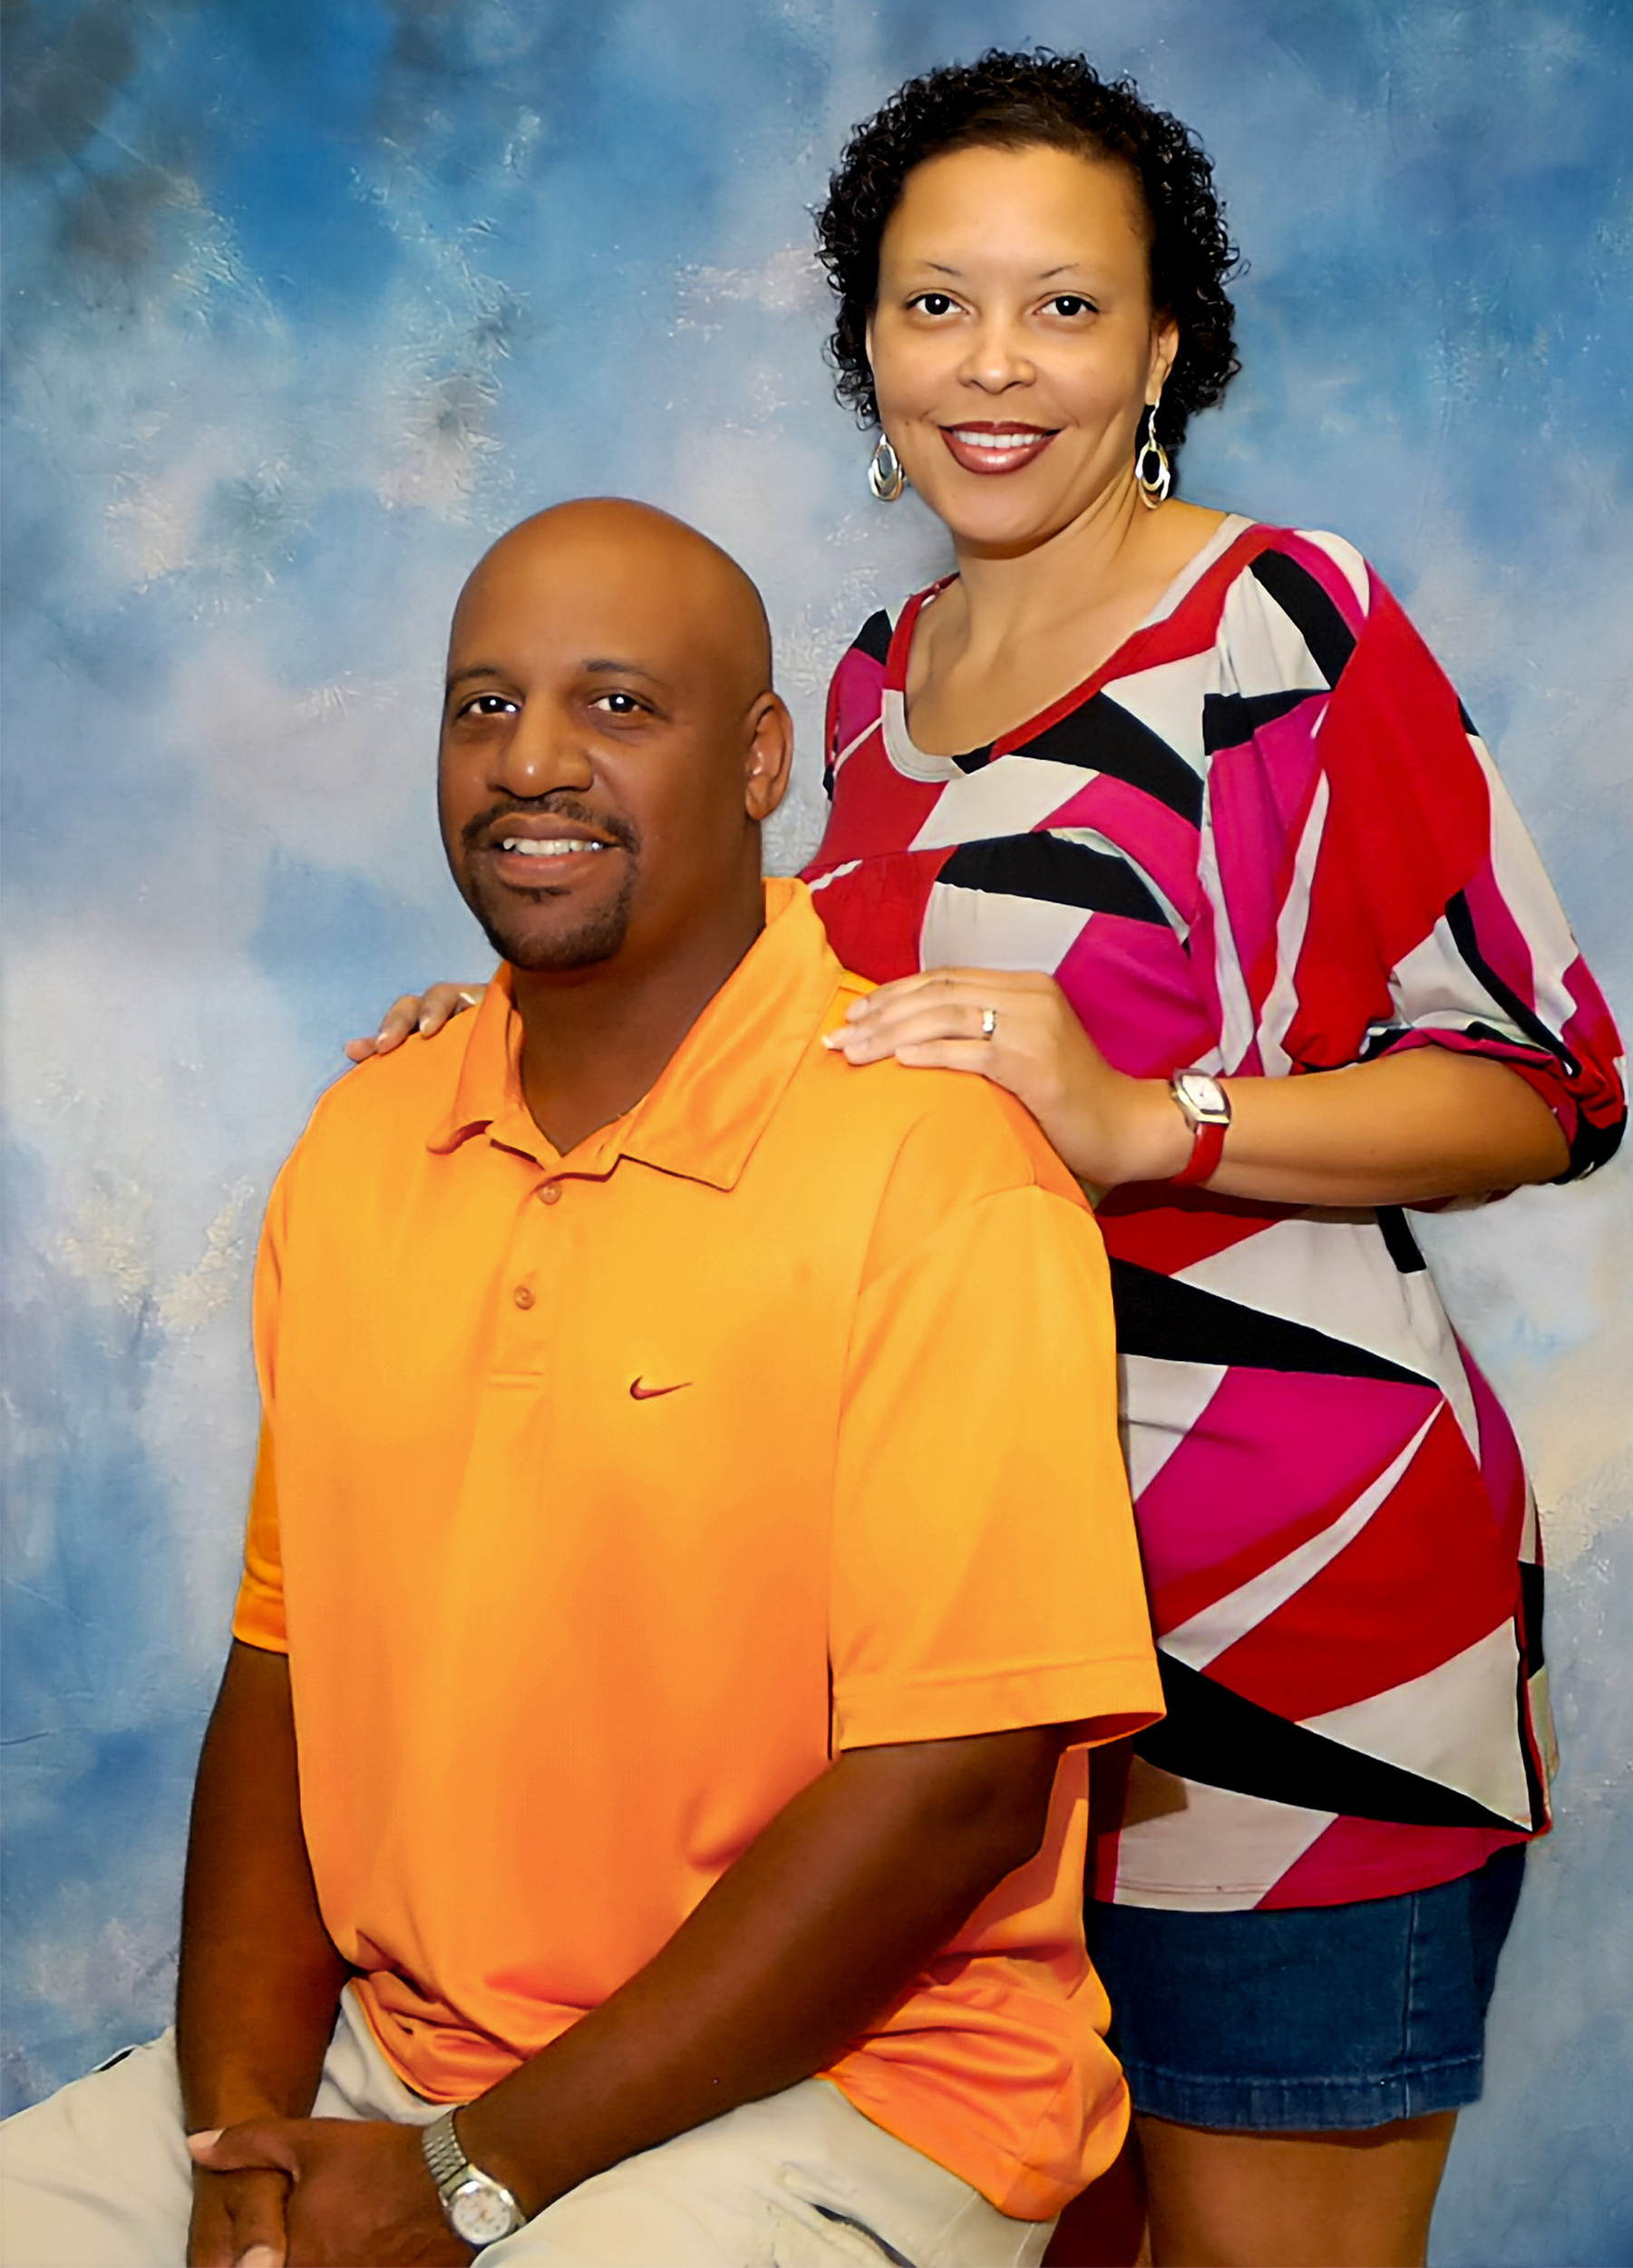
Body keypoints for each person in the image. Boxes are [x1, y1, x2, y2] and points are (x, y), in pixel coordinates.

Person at [371, 56, 1627, 2268]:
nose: (994, 364)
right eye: (937, 303)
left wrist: (1160, 1118)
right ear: (866, 340)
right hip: (945, 1682)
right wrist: (504, 1032)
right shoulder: (869, 687)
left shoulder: (1284, 629)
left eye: (1065, 307)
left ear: (1162, 352)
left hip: (1279, 1627)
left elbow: (1545, 1081)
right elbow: (782, 1057)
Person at [0, 499, 1166, 2268]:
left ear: (761, 757)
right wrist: (240, 2143)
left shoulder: (936, 1173)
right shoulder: (366, 1140)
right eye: (485, 704)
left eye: (618, 704)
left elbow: (957, 1787)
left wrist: (470, 2176)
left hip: (849, 2089)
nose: (532, 759)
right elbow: (287, 1669)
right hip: (401, 2059)